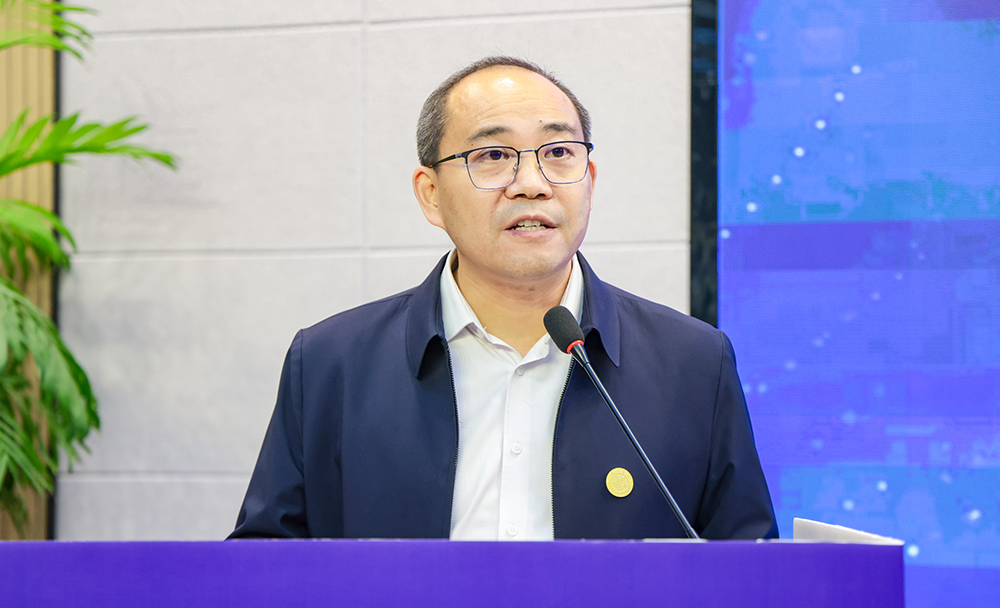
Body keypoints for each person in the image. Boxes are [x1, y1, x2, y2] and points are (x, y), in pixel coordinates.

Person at [229, 56, 777, 541]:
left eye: (558, 152)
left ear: (589, 180)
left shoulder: (694, 363)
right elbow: (264, 567)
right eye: (493, 155)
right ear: (431, 195)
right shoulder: (330, 363)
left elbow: (752, 571)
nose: (532, 183)